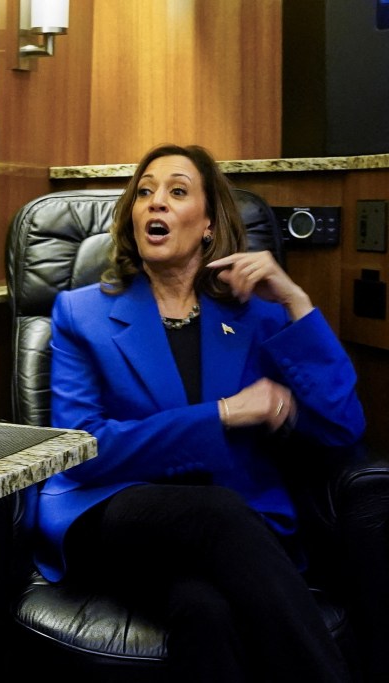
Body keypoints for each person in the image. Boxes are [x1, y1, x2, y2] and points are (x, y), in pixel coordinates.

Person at [34, 144, 365, 681]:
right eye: (144, 192)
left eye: (177, 191)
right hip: (112, 511)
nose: (154, 203)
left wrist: (296, 300)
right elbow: (83, 450)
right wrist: (226, 413)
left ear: (209, 224)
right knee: (216, 510)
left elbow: (341, 428)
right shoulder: (81, 313)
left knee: (204, 611)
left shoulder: (256, 315)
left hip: (225, 539)